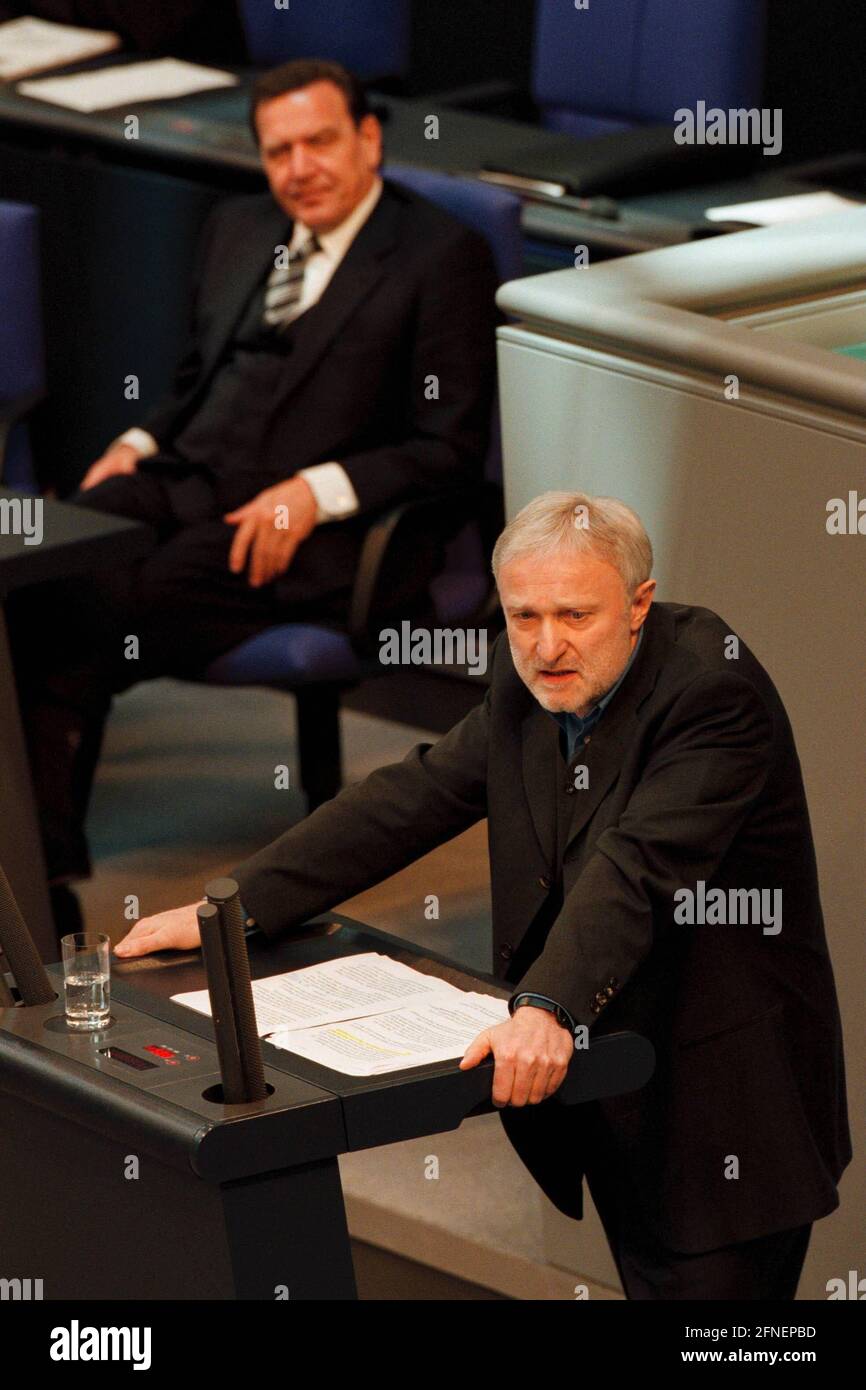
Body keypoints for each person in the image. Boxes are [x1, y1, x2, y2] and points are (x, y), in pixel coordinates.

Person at [115, 490, 852, 1301]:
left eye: (574, 615)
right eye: (522, 615)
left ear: (639, 603)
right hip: (620, 1080)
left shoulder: (714, 692)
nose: (545, 644)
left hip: (726, 1107)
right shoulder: (527, 672)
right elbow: (416, 795)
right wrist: (231, 908)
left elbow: (637, 869)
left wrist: (546, 1004)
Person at [8, 58, 498, 922]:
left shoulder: (438, 257)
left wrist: (313, 490)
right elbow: (199, 375)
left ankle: (37, 882)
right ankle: (36, 869)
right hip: (183, 476)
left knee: (81, 609)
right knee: (35, 569)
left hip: (316, 529)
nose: (299, 168)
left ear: (370, 139)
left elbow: (451, 447)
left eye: (319, 142)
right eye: (280, 151)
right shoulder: (240, 227)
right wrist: (137, 439)